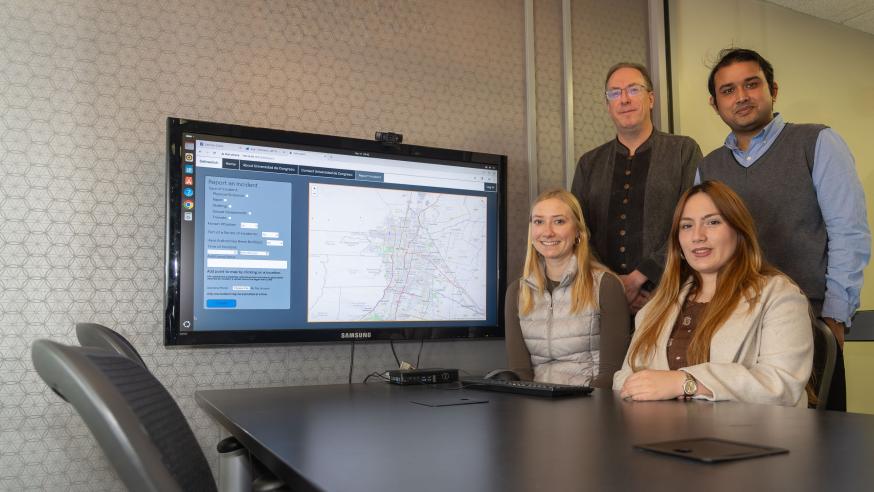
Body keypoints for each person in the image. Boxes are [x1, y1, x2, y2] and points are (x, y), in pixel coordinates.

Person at [697, 48, 870, 410]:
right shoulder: (708, 166)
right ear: (715, 104)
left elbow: (849, 233)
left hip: (807, 321)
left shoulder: (817, 142)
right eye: (728, 90)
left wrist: (835, 318)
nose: (741, 96)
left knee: (818, 446)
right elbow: (701, 249)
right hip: (730, 327)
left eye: (751, 84)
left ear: (773, 89)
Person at [614, 181, 813, 407]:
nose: (697, 236)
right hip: (662, 435)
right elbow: (623, 378)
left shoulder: (780, 296)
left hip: (747, 436)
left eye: (713, 222)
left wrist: (686, 382)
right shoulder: (657, 305)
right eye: (686, 226)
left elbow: (782, 385)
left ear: (739, 231)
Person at [572, 62, 702, 314]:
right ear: (608, 105)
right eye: (615, 93)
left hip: (670, 295)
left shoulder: (684, 151)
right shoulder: (589, 163)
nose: (624, 99)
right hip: (603, 300)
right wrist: (612, 283)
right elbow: (579, 232)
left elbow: (694, 224)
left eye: (633, 90)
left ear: (650, 98)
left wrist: (640, 278)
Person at [505, 189, 630, 388]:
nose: (547, 232)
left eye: (559, 221)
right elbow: (520, 373)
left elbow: (611, 374)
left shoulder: (606, 286)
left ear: (578, 232)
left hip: (591, 406)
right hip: (537, 405)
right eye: (538, 221)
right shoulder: (517, 292)